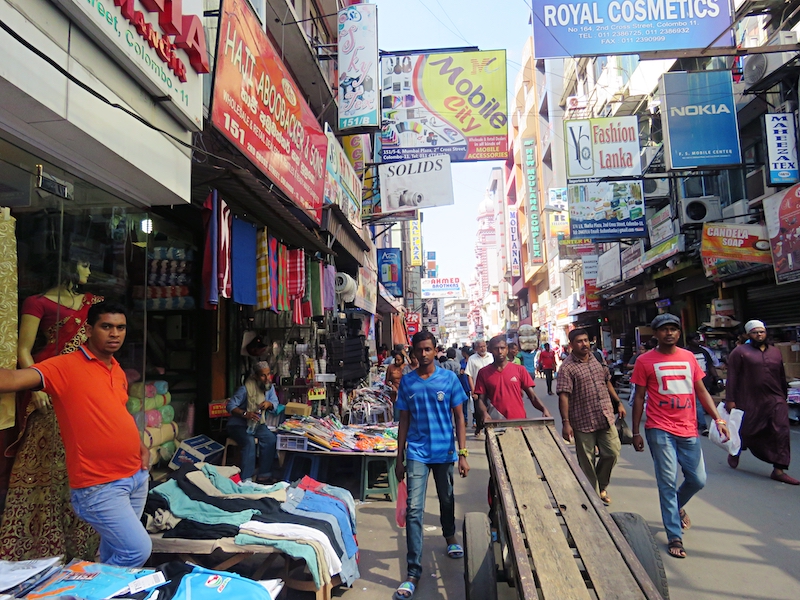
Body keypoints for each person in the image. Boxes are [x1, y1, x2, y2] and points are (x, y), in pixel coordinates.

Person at [0, 301, 152, 567]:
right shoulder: (63, 367)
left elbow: (118, 412)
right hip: (100, 485)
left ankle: (101, 592)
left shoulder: (116, 368)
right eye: (106, 327)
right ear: (89, 329)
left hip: (136, 476)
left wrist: (140, 445)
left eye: (120, 327)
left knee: (114, 551)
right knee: (136, 550)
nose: (114, 333)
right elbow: (10, 381)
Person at [0, 259, 100, 561]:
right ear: (69, 266)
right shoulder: (38, 302)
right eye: (85, 265)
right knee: (50, 466)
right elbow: (23, 350)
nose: (90, 272)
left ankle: (83, 541)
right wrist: (38, 387)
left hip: (83, 388)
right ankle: (39, 544)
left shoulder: (92, 304)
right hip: (48, 384)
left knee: (82, 462)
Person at [631, 313, 729, 559]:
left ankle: (676, 506)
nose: (669, 333)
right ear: (656, 334)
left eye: (674, 329)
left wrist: (718, 419)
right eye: (664, 329)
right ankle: (674, 535)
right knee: (666, 481)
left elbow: (701, 390)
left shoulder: (688, 358)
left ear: (679, 332)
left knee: (698, 479)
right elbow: (639, 398)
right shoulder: (645, 361)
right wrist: (635, 431)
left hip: (688, 428)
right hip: (659, 428)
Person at [394, 331, 469, 600]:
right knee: (414, 510)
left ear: (435, 350)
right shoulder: (407, 382)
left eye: (428, 349)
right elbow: (403, 419)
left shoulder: (449, 379)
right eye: (419, 350)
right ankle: (413, 571)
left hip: (444, 451)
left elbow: (459, 417)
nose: (423, 354)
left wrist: (462, 453)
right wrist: (398, 456)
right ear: (413, 352)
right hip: (416, 452)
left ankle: (450, 536)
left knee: (447, 498)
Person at [725, 320, 799, 485]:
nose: (759, 335)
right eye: (755, 332)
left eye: (761, 332)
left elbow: (781, 374)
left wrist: (784, 396)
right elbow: (732, 377)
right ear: (747, 335)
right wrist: (730, 399)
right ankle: (736, 449)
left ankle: (779, 469)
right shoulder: (740, 352)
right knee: (748, 429)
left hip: (775, 398)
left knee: (781, 431)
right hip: (750, 398)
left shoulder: (775, 352)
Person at [557, 329, 624, 505]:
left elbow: (606, 381)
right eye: (579, 341)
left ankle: (601, 485)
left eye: (586, 340)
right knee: (587, 462)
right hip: (582, 420)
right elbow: (563, 396)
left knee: (612, 452)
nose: (584, 344)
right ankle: (594, 499)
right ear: (571, 345)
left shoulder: (596, 358)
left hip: (604, 415)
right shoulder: (567, 368)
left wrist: (618, 402)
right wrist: (566, 423)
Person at [226, 362, 282, 484]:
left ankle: (264, 474)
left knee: (271, 439)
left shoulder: (269, 387)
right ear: (255, 376)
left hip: (257, 424)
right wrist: (246, 414)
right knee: (249, 442)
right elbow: (230, 406)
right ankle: (246, 479)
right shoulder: (245, 389)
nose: (267, 378)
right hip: (238, 425)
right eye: (263, 376)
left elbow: (275, 403)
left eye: (268, 374)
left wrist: (269, 404)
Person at [475, 335, 550, 422]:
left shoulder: (520, 370)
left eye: (502, 348)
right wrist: (484, 413)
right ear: (490, 350)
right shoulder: (483, 372)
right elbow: (481, 399)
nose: (500, 352)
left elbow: (532, 396)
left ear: (507, 349)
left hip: (519, 421)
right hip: (496, 422)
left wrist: (544, 409)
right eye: (496, 348)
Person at [685, 333, 719, 436]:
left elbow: (710, 365)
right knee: (698, 403)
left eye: (698, 339)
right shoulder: (686, 353)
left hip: (704, 380)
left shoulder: (704, 351)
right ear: (689, 341)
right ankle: (703, 426)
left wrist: (717, 378)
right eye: (695, 339)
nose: (698, 341)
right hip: (690, 381)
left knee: (704, 401)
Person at [465, 339, 494, 436]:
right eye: (480, 347)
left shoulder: (491, 357)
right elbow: (469, 375)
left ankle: (488, 427)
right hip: (478, 389)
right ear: (476, 348)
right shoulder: (472, 359)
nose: (482, 348)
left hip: (491, 388)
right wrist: (473, 391)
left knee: (491, 407)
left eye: (484, 346)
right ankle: (479, 426)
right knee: (478, 410)